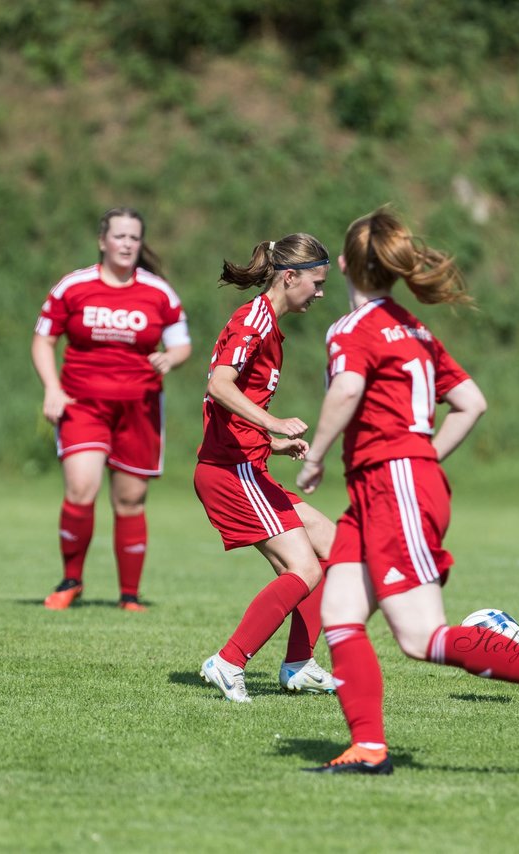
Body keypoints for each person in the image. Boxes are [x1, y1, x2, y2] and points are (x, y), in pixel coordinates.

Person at [295, 207, 519, 773]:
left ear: (344, 266)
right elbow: (472, 403)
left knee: (420, 635)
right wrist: (422, 457)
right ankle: (367, 749)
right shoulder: (414, 328)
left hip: (392, 485)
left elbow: (347, 391)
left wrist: (316, 457)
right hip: (387, 484)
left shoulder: (353, 329)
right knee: (338, 613)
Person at [193, 233, 338, 702]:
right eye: (315, 283)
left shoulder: (269, 325)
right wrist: (271, 420)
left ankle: (298, 664)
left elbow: (231, 404)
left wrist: (269, 442)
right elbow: (219, 385)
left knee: (330, 545)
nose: (319, 294)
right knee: (304, 568)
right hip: (229, 472)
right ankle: (229, 661)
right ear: (290, 276)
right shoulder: (255, 321)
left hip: (246, 463)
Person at [31, 208, 192, 611]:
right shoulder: (74, 287)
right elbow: (43, 340)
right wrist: (52, 387)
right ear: (102, 241)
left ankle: (130, 596)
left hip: (139, 408)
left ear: (141, 244)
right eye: (119, 236)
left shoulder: (159, 292)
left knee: (131, 501)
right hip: (82, 404)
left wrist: (170, 360)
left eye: (134, 238)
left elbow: (182, 344)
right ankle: (71, 581)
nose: (126, 244)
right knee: (82, 488)